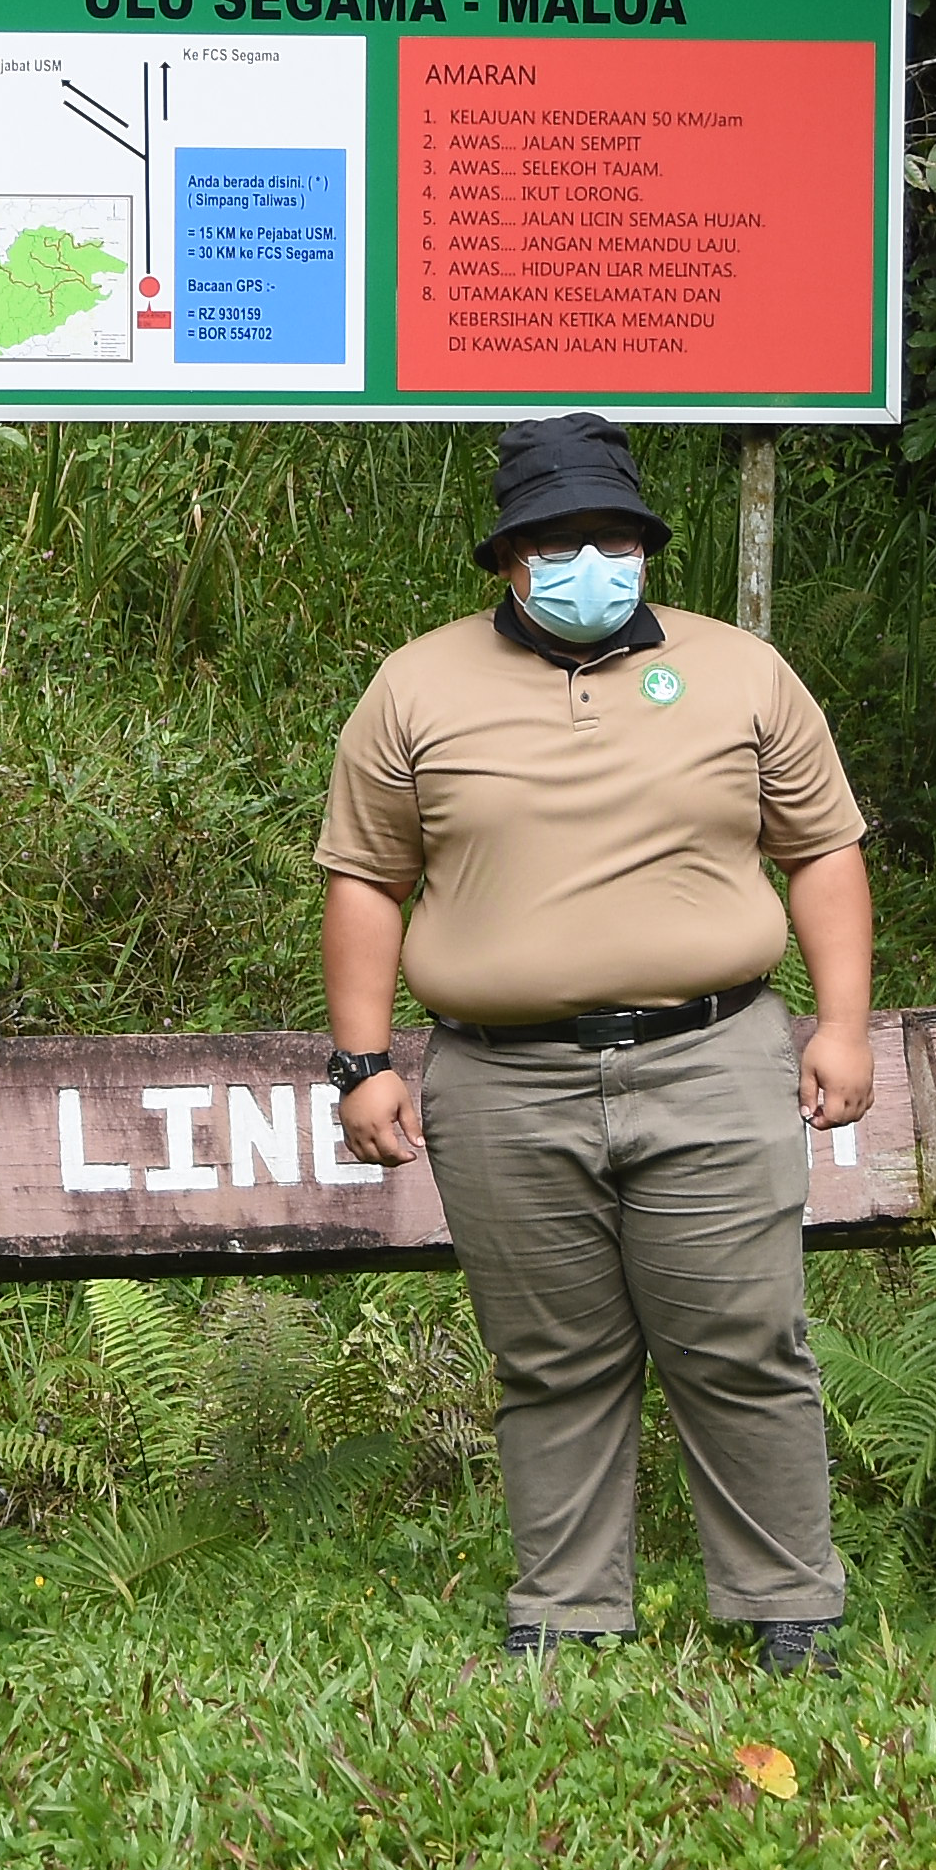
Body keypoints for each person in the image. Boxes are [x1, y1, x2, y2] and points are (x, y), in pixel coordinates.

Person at [324, 414, 882, 1671]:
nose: (591, 557)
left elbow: (822, 851)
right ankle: (566, 1612)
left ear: (645, 543)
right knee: (554, 1358)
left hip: (715, 1055)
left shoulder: (743, 671)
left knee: (743, 1338)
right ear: (509, 558)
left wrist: (841, 1023)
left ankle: (787, 1604)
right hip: (502, 1074)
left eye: (613, 534)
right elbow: (366, 876)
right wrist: (363, 1063)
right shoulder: (416, 684)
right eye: (559, 538)